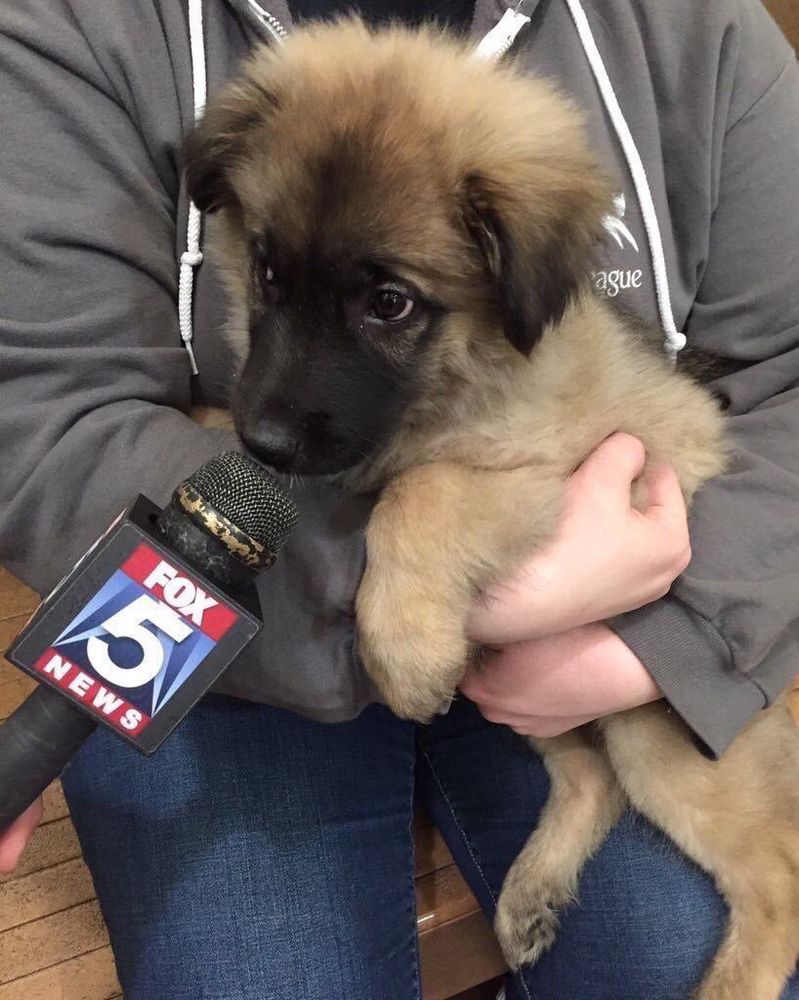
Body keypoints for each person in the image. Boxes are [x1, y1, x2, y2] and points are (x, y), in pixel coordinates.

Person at [1, 1, 797, 997]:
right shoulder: (75, 28)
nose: (278, 413)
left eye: (389, 304)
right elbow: (44, 419)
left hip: (619, 615)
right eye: (273, 271)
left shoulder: (698, 34)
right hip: (233, 613)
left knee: (666, 948)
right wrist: (441, 586)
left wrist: (667, 634)